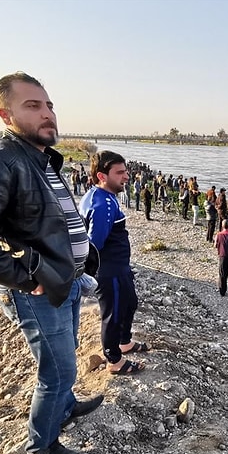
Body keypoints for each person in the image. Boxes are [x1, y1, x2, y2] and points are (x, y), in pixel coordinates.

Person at [0, 72, 102, 454]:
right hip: (39, 289)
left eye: (49, 105)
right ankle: (41, 446)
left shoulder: (40, 157)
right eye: (33, 106)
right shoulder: (0, 161)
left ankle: (65, 407)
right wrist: (23, 277)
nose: (47, 114)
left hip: (61, 282)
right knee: (59, 368)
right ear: (4, 113)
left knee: (64, 359)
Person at [79, 150, 149, 377]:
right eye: (119, 173)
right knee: (114, 313)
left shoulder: (98, 195)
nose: (126, 177)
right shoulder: (104, 206)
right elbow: (93, 245)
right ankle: (114, 360)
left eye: (125, 171)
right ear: (102, 176)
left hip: (120, 268)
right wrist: (89, 274)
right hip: (110, 271)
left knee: (129, 303)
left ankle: (124, 342)